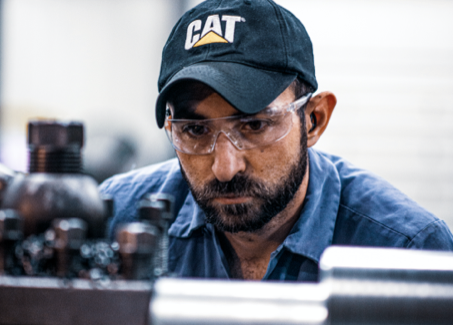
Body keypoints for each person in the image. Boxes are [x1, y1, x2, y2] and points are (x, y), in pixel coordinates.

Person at [100, 0, 453, 281]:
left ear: (314, 120)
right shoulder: (111, 220)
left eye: (254, 125)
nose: (225, 167)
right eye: (195, 130)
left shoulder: (407, 252)